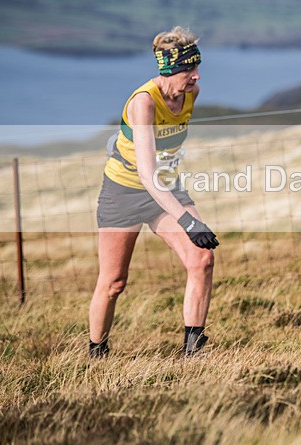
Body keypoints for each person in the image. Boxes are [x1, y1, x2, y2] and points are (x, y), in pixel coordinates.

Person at [89, 26, 219, 358]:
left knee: (202, 258)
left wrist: (185, 217)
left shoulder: (191, 94)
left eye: (196, 68)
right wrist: (188, 222)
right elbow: (147, 175)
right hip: (125, 191)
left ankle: (193, 350)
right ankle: (97, 351)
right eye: (189, 69)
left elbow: (162, 170)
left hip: (167, 188)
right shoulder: (143, 103)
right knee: (114, 282)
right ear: (169, 70)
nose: (196, 76)